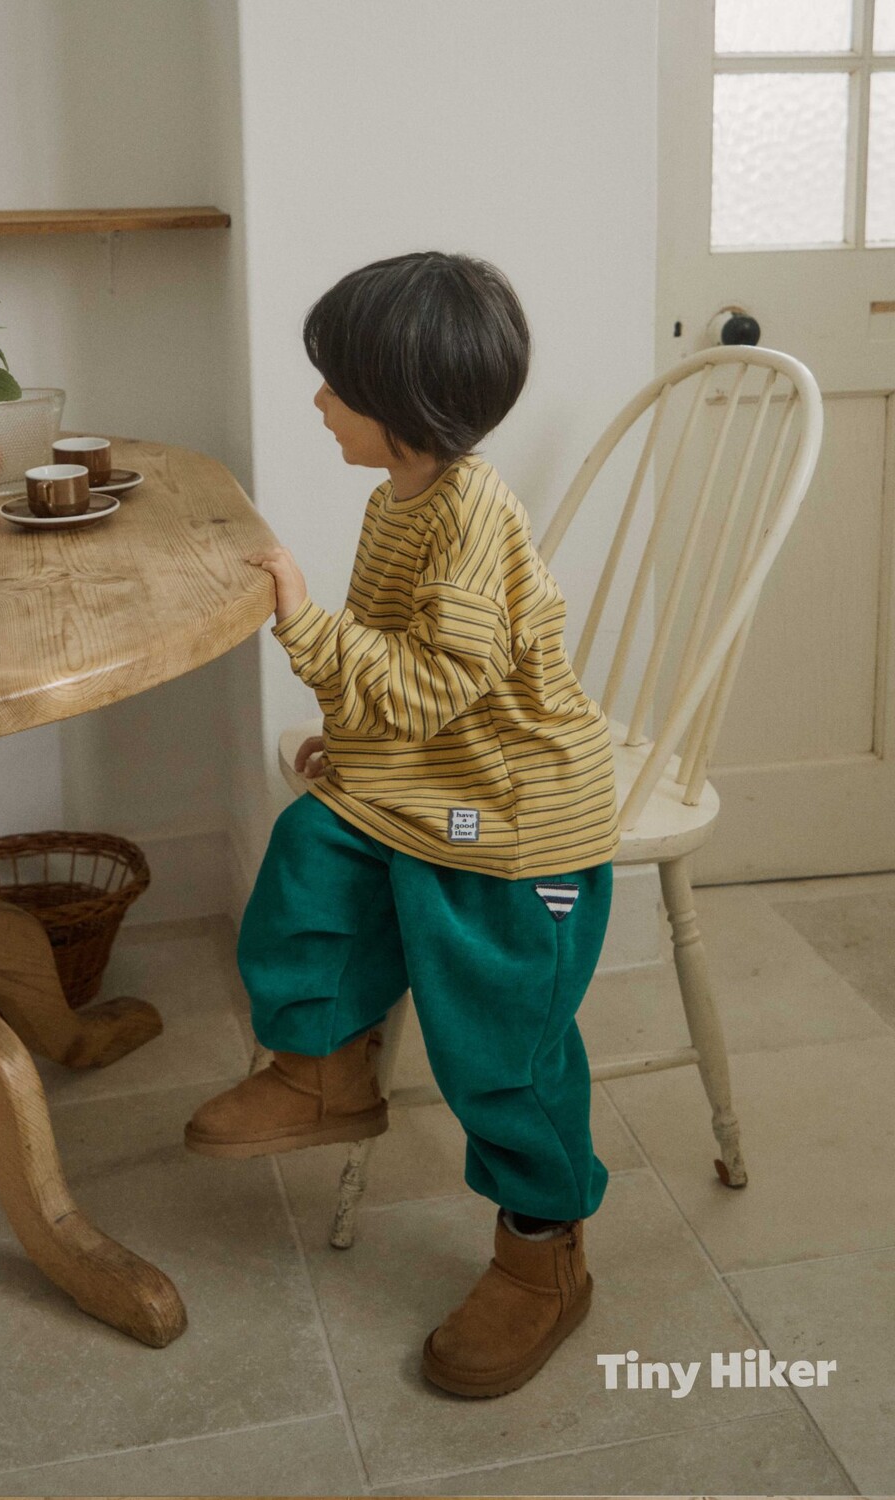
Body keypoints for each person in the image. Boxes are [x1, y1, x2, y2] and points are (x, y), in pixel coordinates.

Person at [185, 250, 620, 1399]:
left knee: (499, 1049)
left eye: (336, 386)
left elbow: (426, 687)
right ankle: (323, 1067)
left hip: (512, 824)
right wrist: (362, 746)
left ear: (399, 403)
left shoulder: (469, 524)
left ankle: (543, 1255)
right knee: (315, 843)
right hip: (441, 781)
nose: (317, 402)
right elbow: (411, 685)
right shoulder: (402, 499)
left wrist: (300, 619)